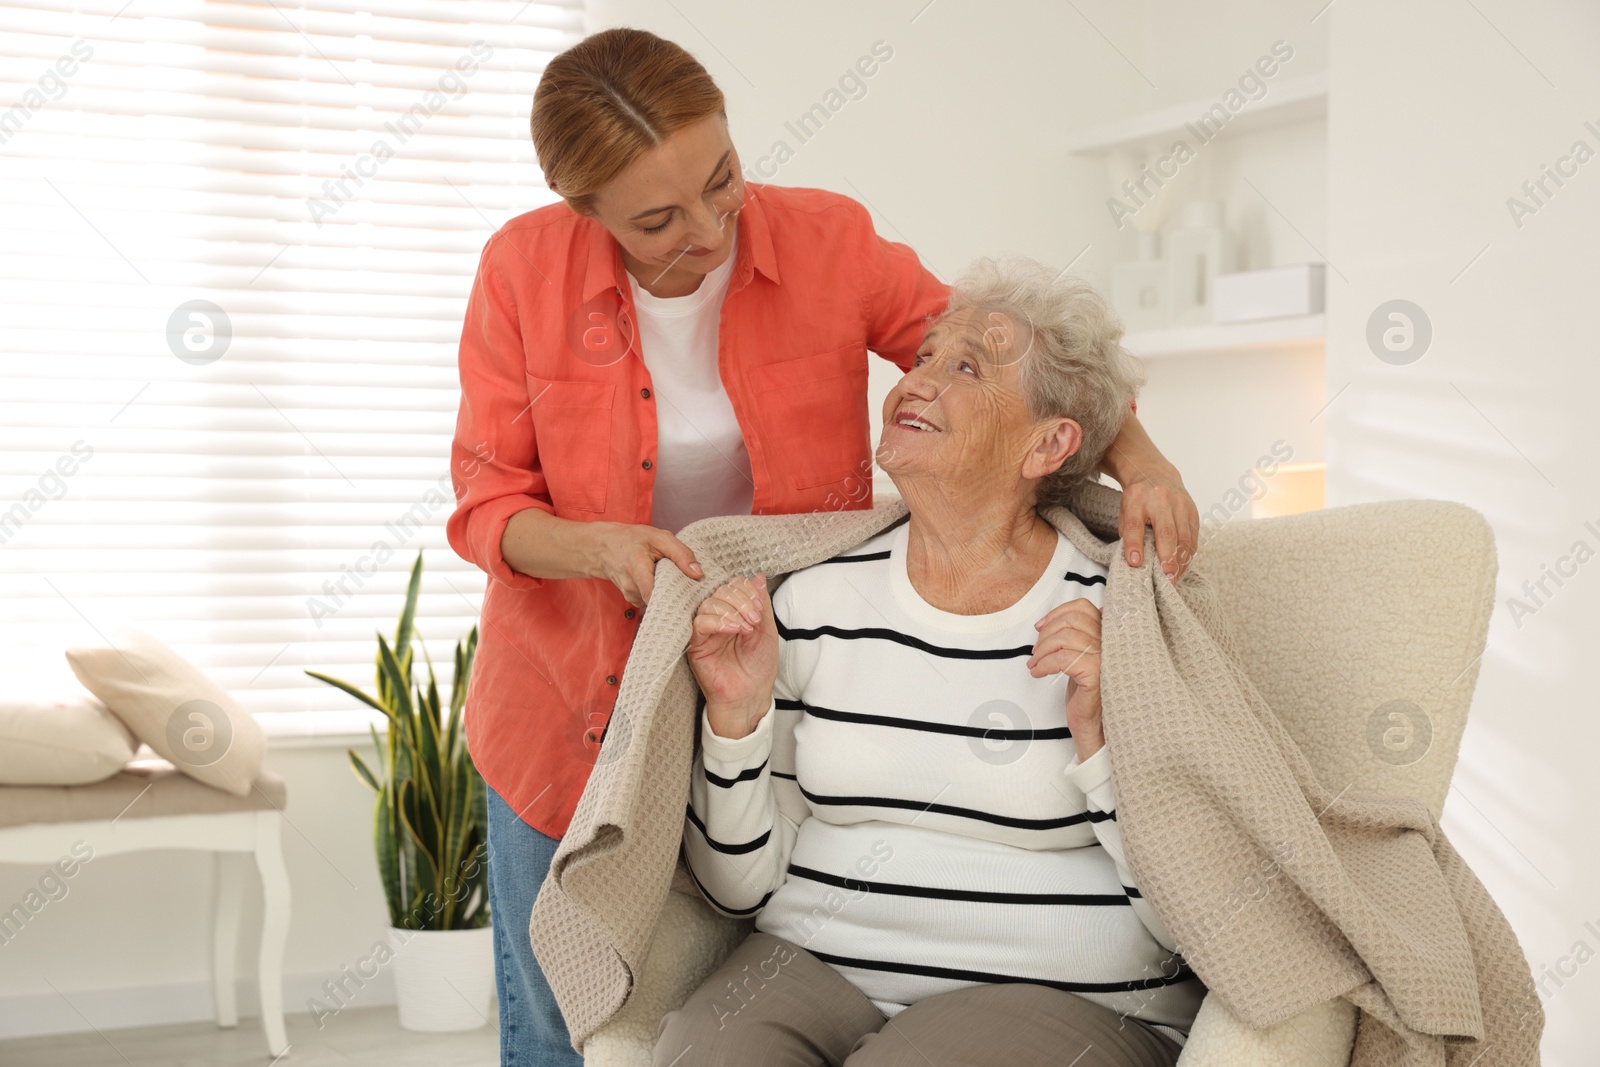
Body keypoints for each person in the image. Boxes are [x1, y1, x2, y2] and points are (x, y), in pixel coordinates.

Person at [445, 28, 1199, 1067]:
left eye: (722, 181)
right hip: (569, 696)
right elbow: (485, 500)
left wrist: (1144, 455)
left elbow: (1011, 360)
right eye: (658, 219)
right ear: (585, 210)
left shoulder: (824, 243)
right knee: (558, 1021)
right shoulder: (522, 270)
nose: (708, 229)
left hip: (761, 652)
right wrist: (598, 549)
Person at [656, 257, 1201, 1067]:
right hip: (819, 964)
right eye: (922, 359)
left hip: (1065, 996)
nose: (917, 382)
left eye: (968, 367)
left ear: (1048, 442)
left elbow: (1194, 912)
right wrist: (736, 723)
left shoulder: (1116, 616)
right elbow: (743, 888)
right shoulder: (813, 600)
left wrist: (1097, 740)